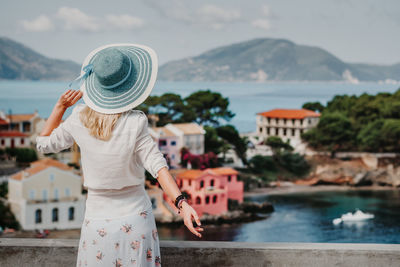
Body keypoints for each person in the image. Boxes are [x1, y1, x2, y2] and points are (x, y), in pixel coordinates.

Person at [36, 43, 204, 267]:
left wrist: (60, 107)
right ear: (130, 86)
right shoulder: (136, 121)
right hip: (136, 220)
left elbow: (43, 144)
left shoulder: (78, 118)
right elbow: (158, 167)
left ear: (96, 84)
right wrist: (182, 204)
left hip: (97, 223)